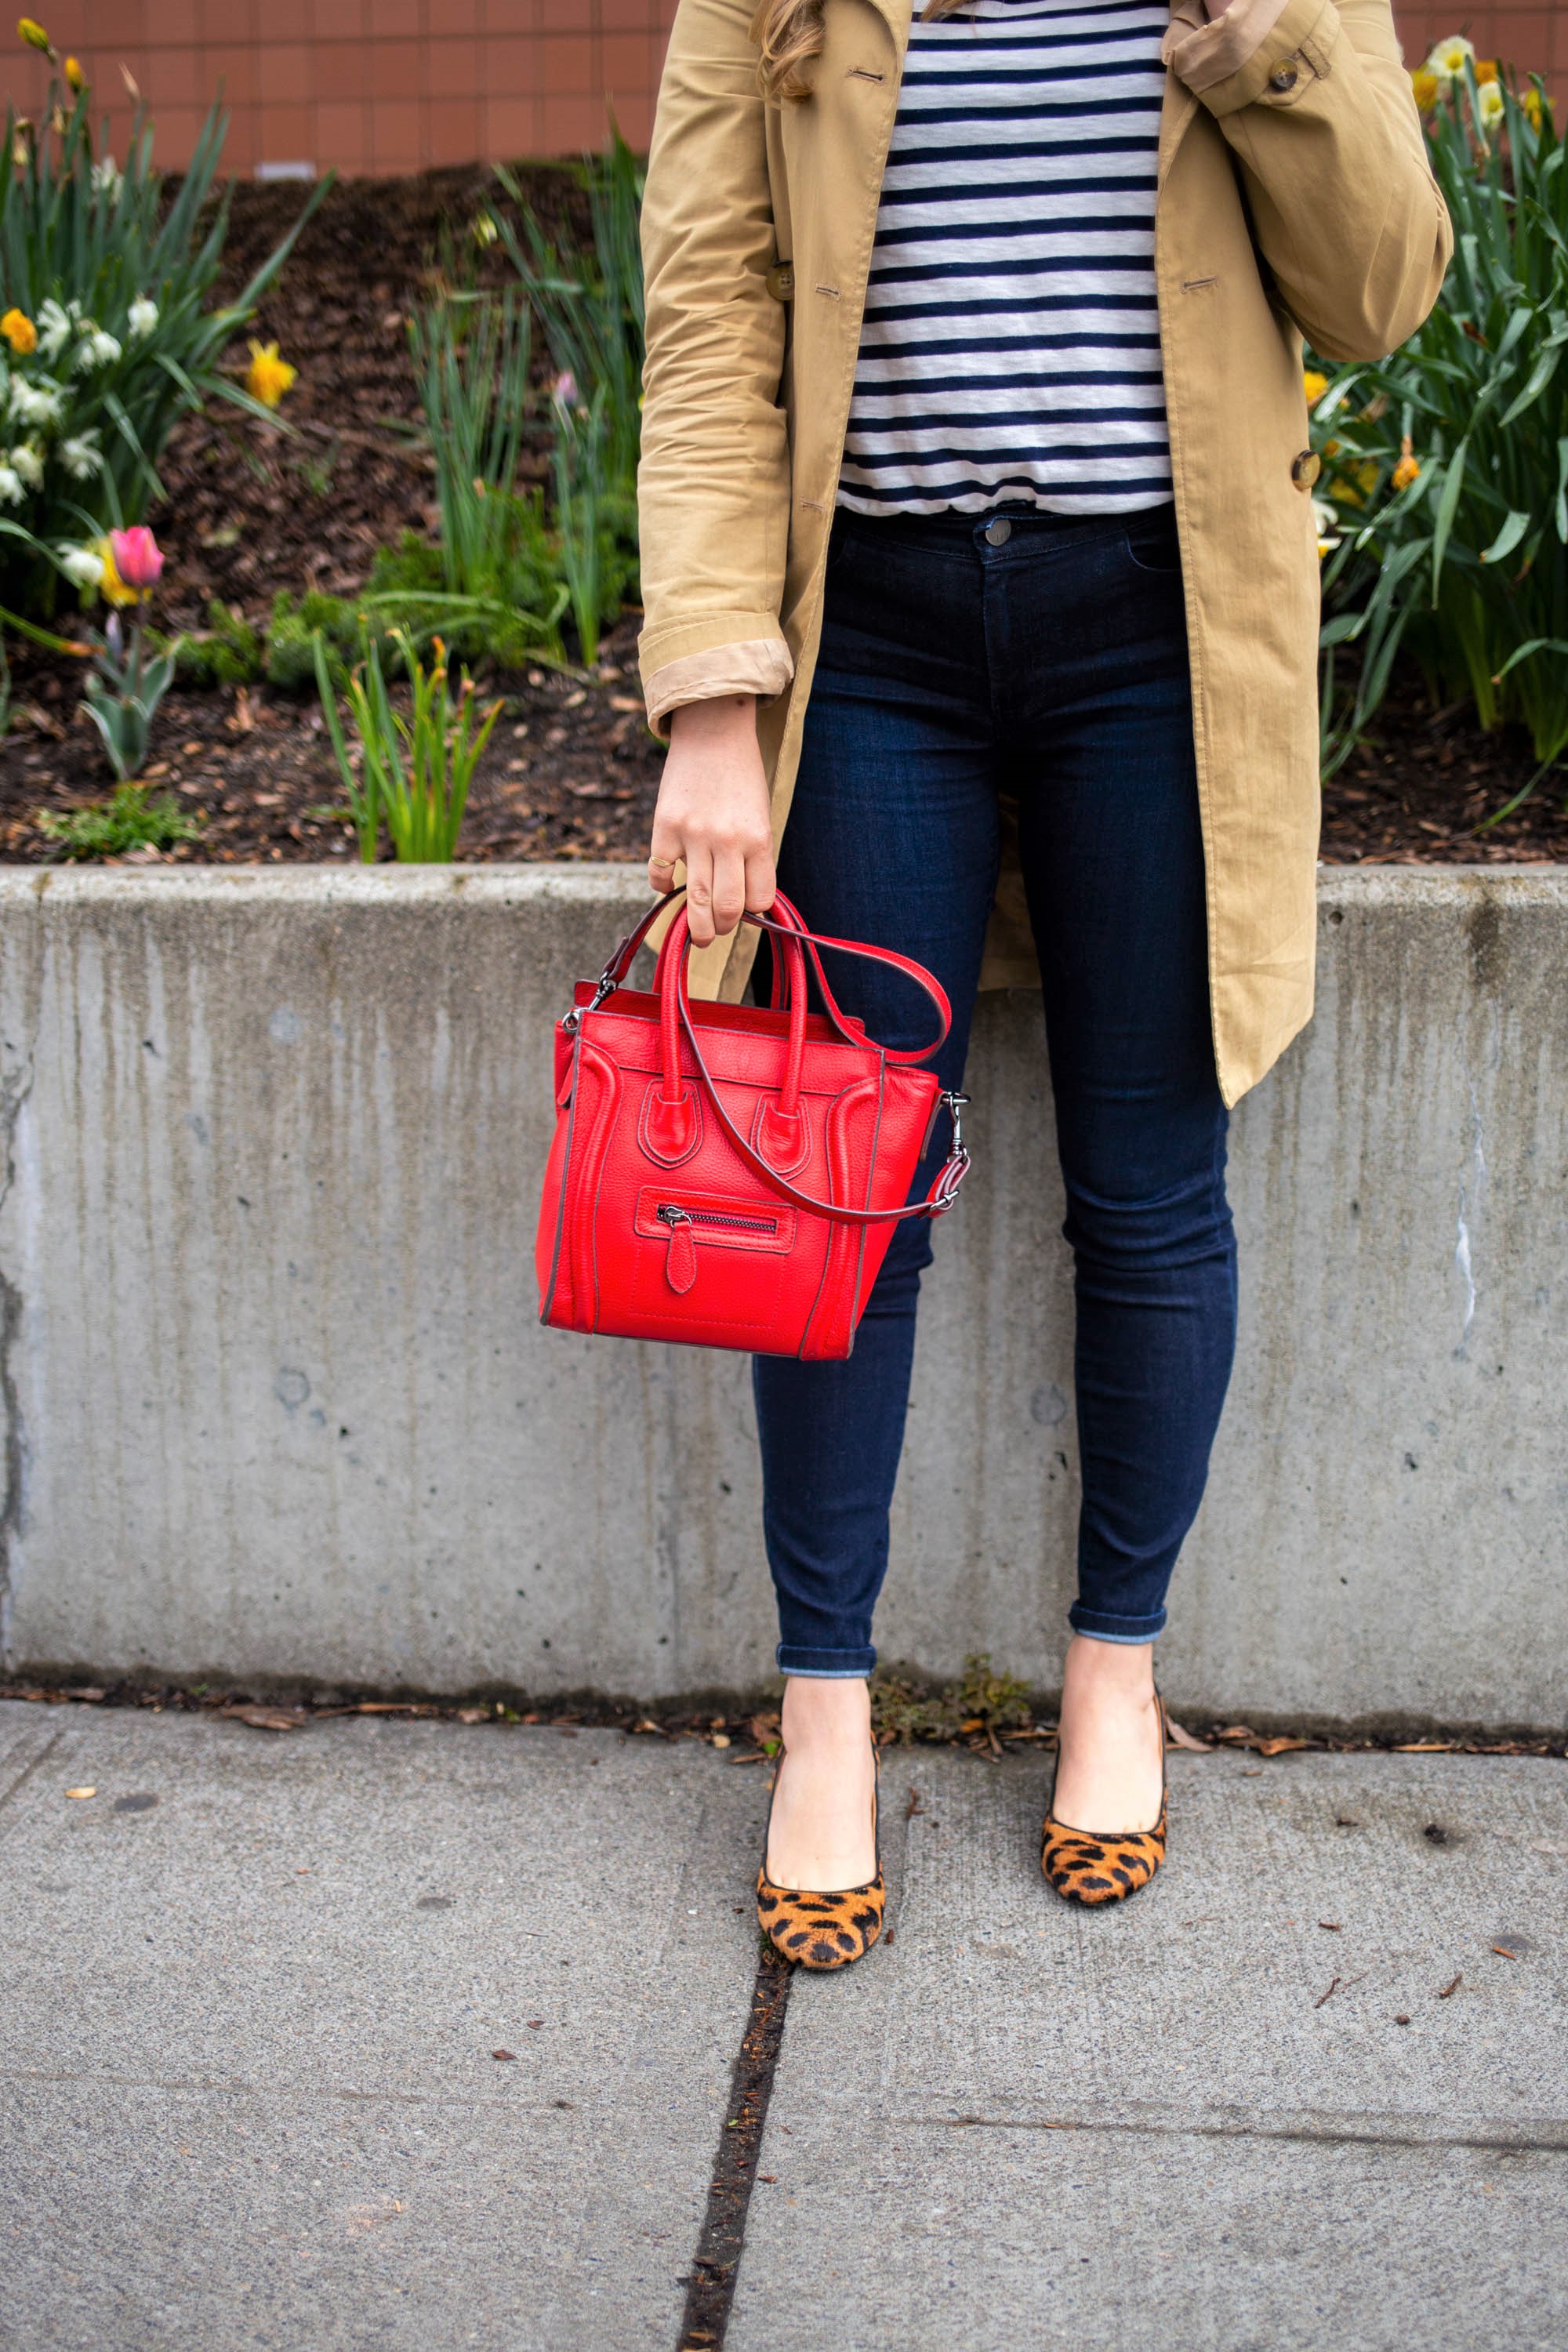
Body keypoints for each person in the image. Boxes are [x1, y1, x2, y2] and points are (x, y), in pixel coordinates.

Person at [635, 0, 1450, 1965]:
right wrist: (713, 709)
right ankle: (822, 1703)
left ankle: (1114, 1671)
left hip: (1162, 628)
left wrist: (1265, 49)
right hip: (876, 640)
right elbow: (710, 326)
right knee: (848, 1189)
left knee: (1150, 1186)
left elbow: (1382, 294)